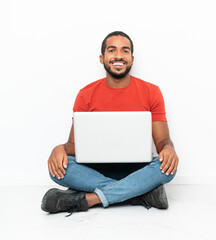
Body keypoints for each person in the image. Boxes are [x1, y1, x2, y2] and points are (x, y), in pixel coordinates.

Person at [41, 31, 179, 216]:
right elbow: (75, 145)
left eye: (125, 51)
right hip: (96, 171)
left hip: (137, 170)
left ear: (132, 58)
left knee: (167, 168)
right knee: (59, 169)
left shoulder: (151, 92)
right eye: (112, 50)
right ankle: (139, 194)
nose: (118, 56)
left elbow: (162, 141)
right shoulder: (86, 94)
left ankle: (89, 200)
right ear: (102, 58)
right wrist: (60, 149)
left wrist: (169, 148)